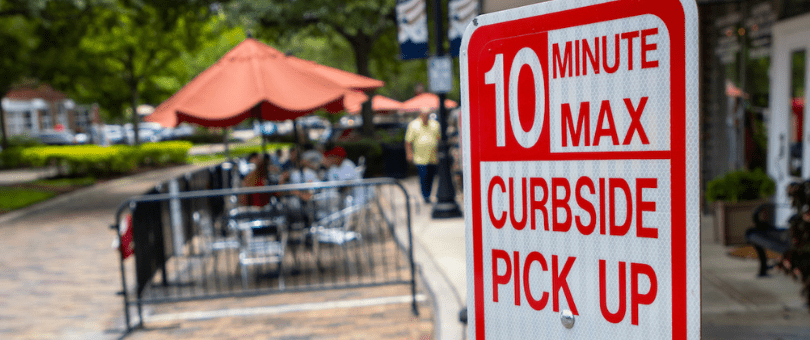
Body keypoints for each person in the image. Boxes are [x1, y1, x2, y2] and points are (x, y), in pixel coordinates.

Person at [405, 109, 440, 203]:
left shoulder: (435, 124)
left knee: (431, 177)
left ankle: (428, 194)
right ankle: (426, 195)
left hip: (433, 157)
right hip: (420, 157)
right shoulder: (413, 125)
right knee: (423, 176)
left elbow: (439, 139)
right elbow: (408, 141)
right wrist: (409, 154)